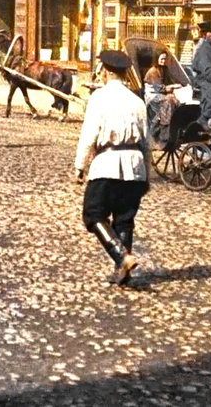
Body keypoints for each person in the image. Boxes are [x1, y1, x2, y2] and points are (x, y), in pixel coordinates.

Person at [74, 48, 149, 287]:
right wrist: (147, 176)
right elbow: (147, 143)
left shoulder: (99, 98)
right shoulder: (138, 101)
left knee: (93, 214)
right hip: (135, 167)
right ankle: (123, 271)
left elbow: (89, 136)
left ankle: (121, 257)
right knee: (124, 219)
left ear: (105, 71)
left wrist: (79, 166)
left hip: (107, 164)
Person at [143, 51, 180, 146]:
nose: (163, 61)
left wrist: (176, 85)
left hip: (162, 93)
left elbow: (170, 80)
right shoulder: (153, 71)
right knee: (168, 101)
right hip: (153, 95)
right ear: (157, 59)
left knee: (175, 100)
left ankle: (172, 128)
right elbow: (158, 87)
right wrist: (172, 87)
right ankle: (164, 131)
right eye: (161, 59)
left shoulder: (165, 69)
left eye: (165, 59)